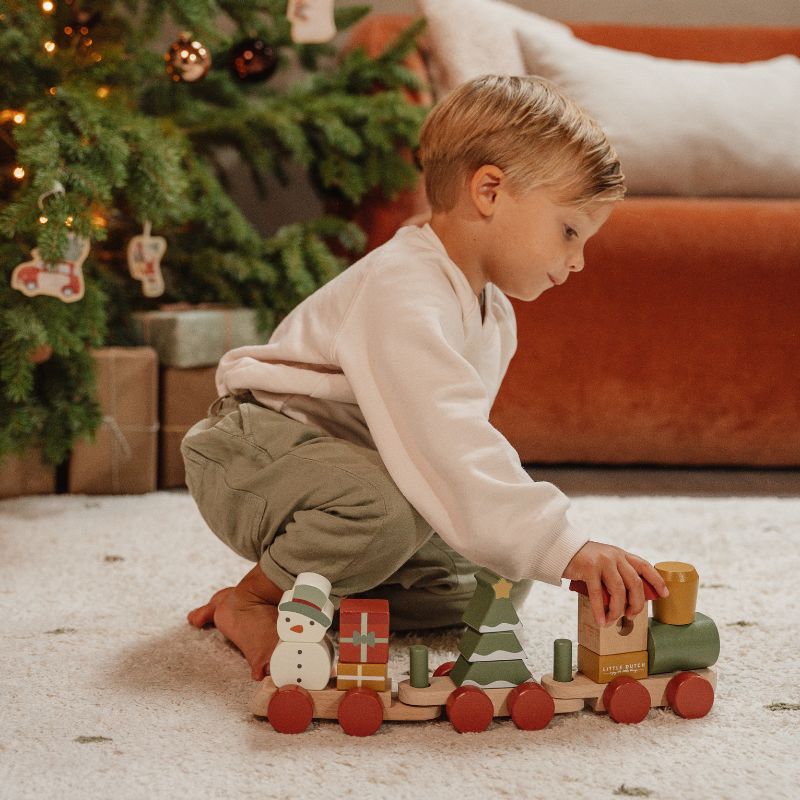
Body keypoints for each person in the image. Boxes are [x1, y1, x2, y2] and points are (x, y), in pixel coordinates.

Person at [182, 74, 668, 681]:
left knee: (500, 575)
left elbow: (444, 465)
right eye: (569, 230)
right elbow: (443, 438)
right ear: (489, 191)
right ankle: (254, 598)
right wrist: (562, 542)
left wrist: (529, 547)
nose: (578, 260)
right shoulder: (403, 285)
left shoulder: (495, 317)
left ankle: (323, 598)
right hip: (253, 448)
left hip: (351, 470)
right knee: (387, 513)